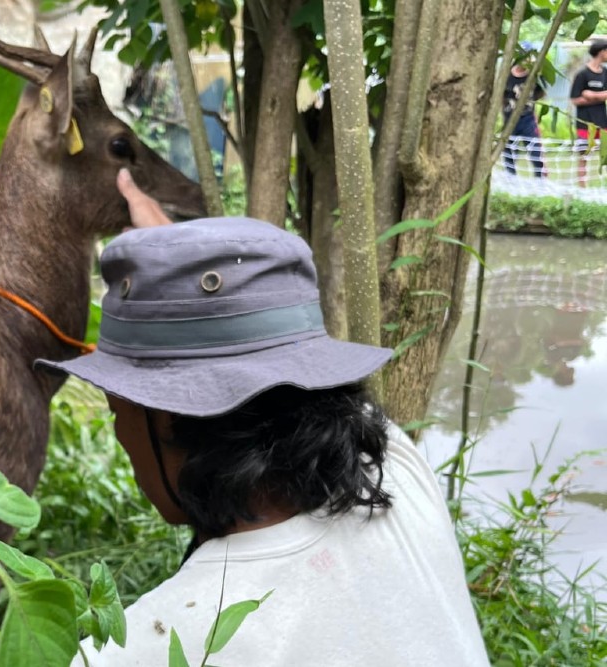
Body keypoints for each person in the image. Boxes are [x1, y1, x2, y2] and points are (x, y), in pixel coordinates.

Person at [38, 170, 490, 666]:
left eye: (116, 406)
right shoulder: (392, 467)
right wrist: (170, 261)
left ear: (167, 415)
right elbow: (267, 371)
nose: (120, 433)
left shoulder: (147, 650)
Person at [502, 42, 546, 177]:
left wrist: (530, 104)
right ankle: (511, 177)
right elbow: (500, 94)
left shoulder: (535, 75)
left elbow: (541, 92)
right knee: (509, 149)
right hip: (509, 116)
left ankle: (539, 179)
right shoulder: (506, 74)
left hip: (527, 117)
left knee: (534, 149)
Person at [570, 39, 607, 186]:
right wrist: (599, 97)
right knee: (583, 156)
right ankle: (582, 188)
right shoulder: (582, 74)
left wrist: (591, 95)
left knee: (605, 154)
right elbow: (575, 99)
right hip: (584, 122)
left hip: (602, 121)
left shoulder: (605, 73)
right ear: (601, 52)